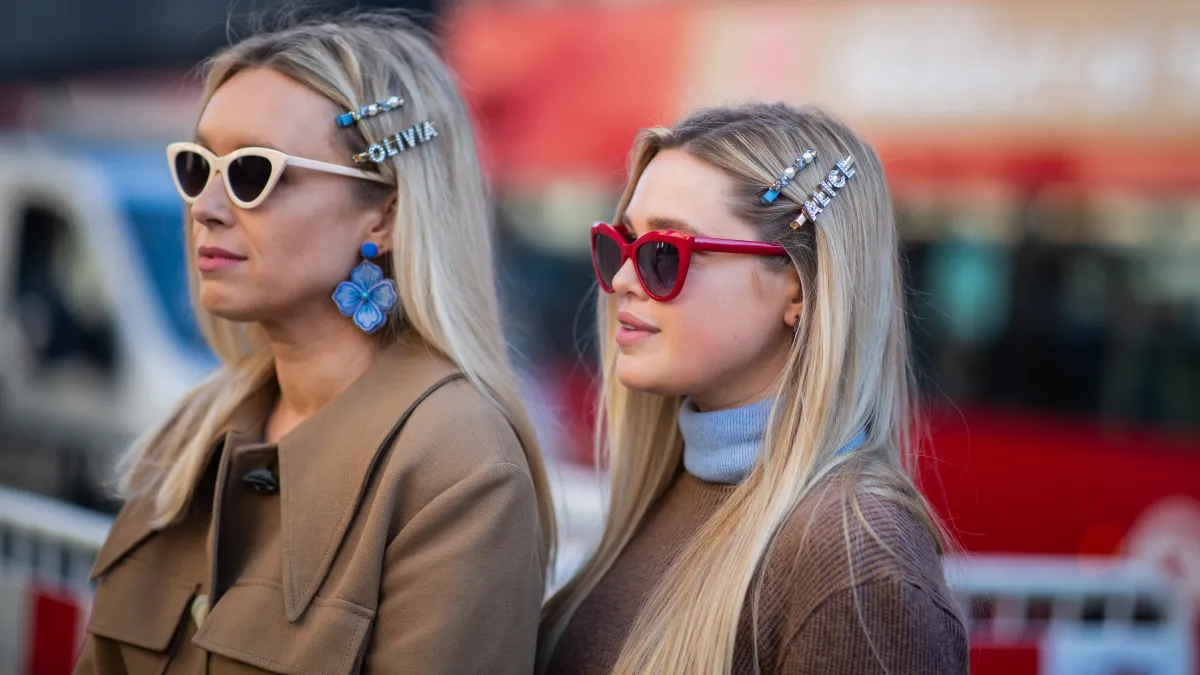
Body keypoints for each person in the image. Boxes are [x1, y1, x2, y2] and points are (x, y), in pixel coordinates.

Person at [75, 13, 553, 675]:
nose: (205, 206)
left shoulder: (461, 469)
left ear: (383, 214)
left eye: (250, 173)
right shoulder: (195, 429)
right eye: (196, 166)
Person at [540, 104, 968, 674]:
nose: (621, 280)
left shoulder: (855, 562)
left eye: (665, 252)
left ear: (798, 286)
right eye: (620, 245)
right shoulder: (668, 493)